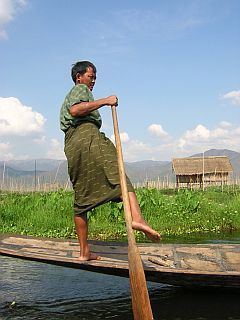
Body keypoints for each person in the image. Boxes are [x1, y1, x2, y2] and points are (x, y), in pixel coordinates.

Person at [60, 60, 161, 261]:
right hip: (88, 139)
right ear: (79, 77)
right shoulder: (80, 89)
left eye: (95, 77)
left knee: (81, 198)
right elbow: (76, 111)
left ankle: (84, 252)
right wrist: (105, 101)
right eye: (91, 76)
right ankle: (137, 219)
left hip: (73, 145)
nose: (93, 81)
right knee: (120, 178)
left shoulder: (78, 92)